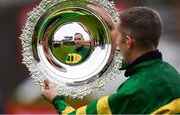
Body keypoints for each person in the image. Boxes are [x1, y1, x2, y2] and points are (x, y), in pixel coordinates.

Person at [41, 7, 180, 114]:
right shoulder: (172, 73)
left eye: (117, 36)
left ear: (128, 41)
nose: (116, 44)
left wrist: (56, 99)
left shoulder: (133, 91)